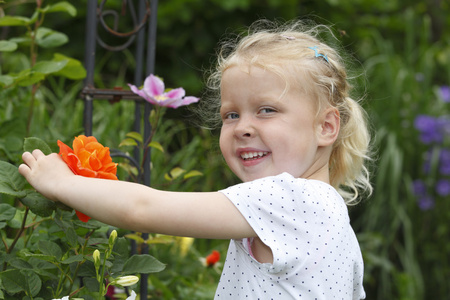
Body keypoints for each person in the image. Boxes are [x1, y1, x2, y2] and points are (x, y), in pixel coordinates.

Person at [19, 20, 372, 299]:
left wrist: (63, 183)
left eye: (266, 110)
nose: (242, 128)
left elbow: (141, 209)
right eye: (231, 115)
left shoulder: (294, 199)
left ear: (326, 126)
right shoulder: (332, 221)